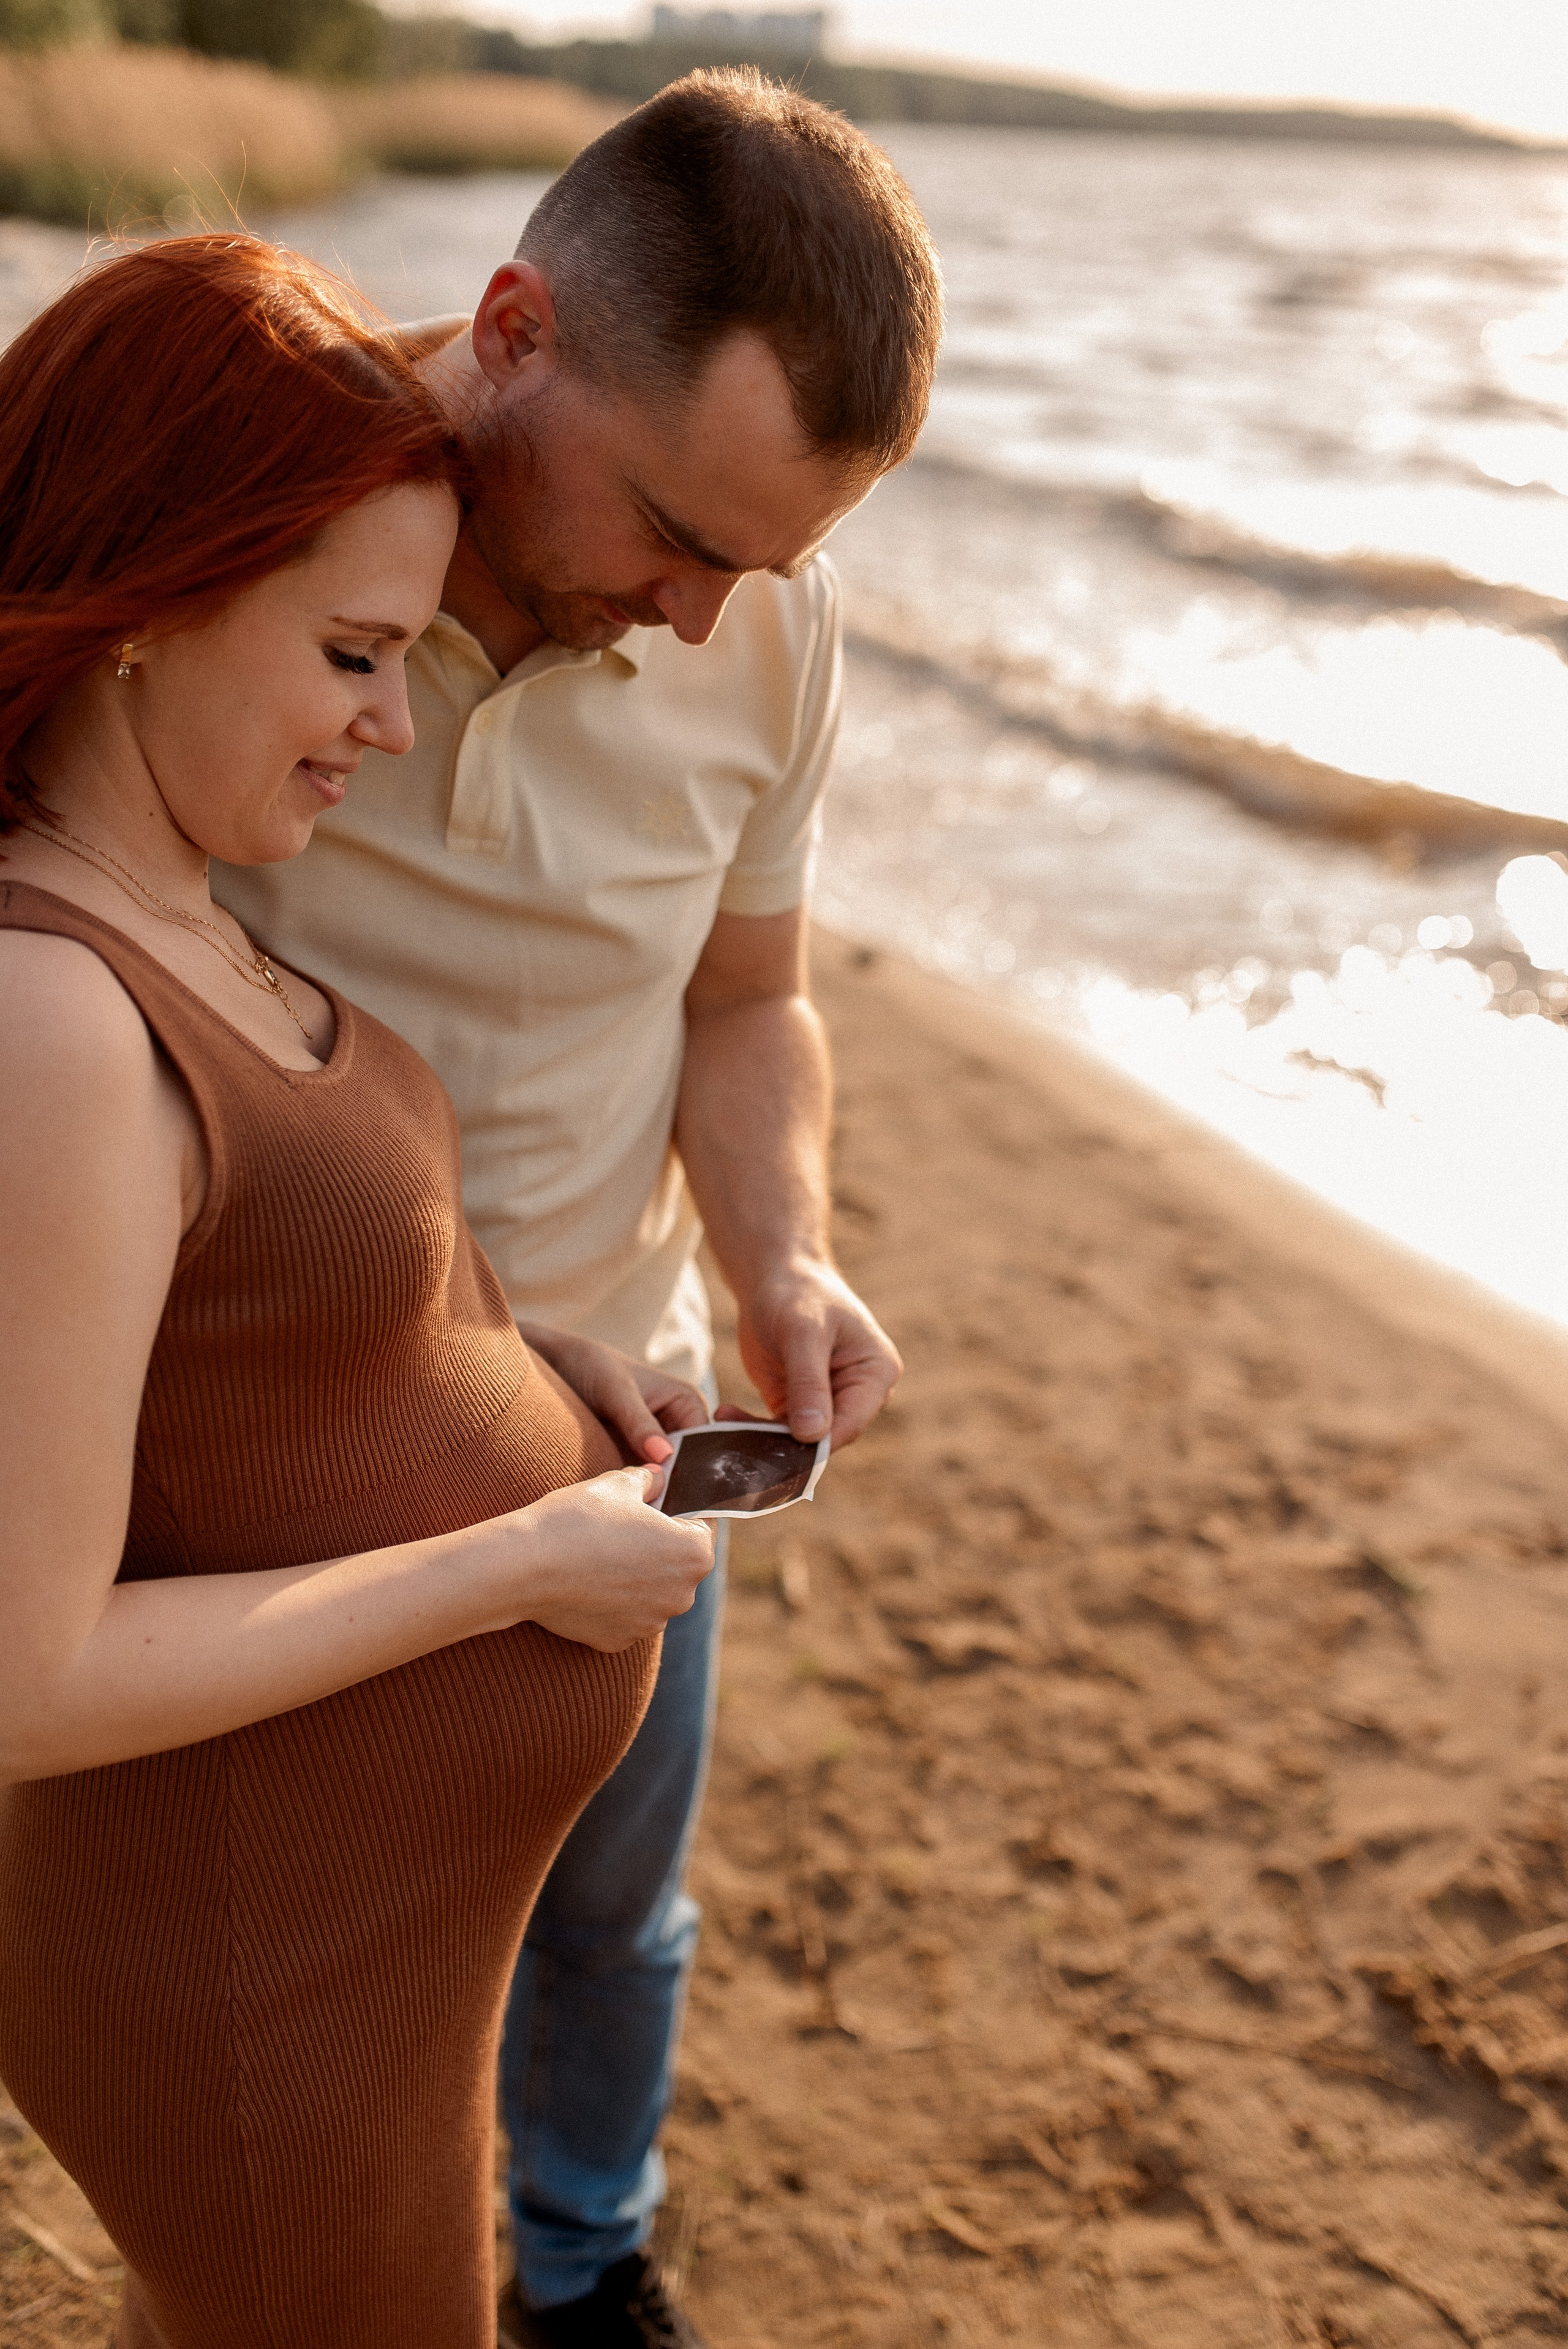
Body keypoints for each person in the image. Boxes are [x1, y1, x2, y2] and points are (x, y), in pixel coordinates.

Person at [218, 67, 943, 2349]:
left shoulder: (764, 633)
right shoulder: (250, 545)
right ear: (513, 324)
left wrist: (780, 1252)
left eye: (774, 566)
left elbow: (748, 1005)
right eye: (678, 532)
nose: (710, 620)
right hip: (271, 1427)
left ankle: (585, 2244)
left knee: (618, 1911)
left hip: (632, 1409)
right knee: (310, 1970)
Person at [0, 234, 715, 2349]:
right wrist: (514, 1559)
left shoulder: (176, 896)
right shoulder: (54, 1015)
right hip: (255, 1997)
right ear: (148, 601)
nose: (393, 724)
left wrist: (513, 1362)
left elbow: (233, 1363)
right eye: (347, 655)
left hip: (343, 1964)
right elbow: (24, 1676)